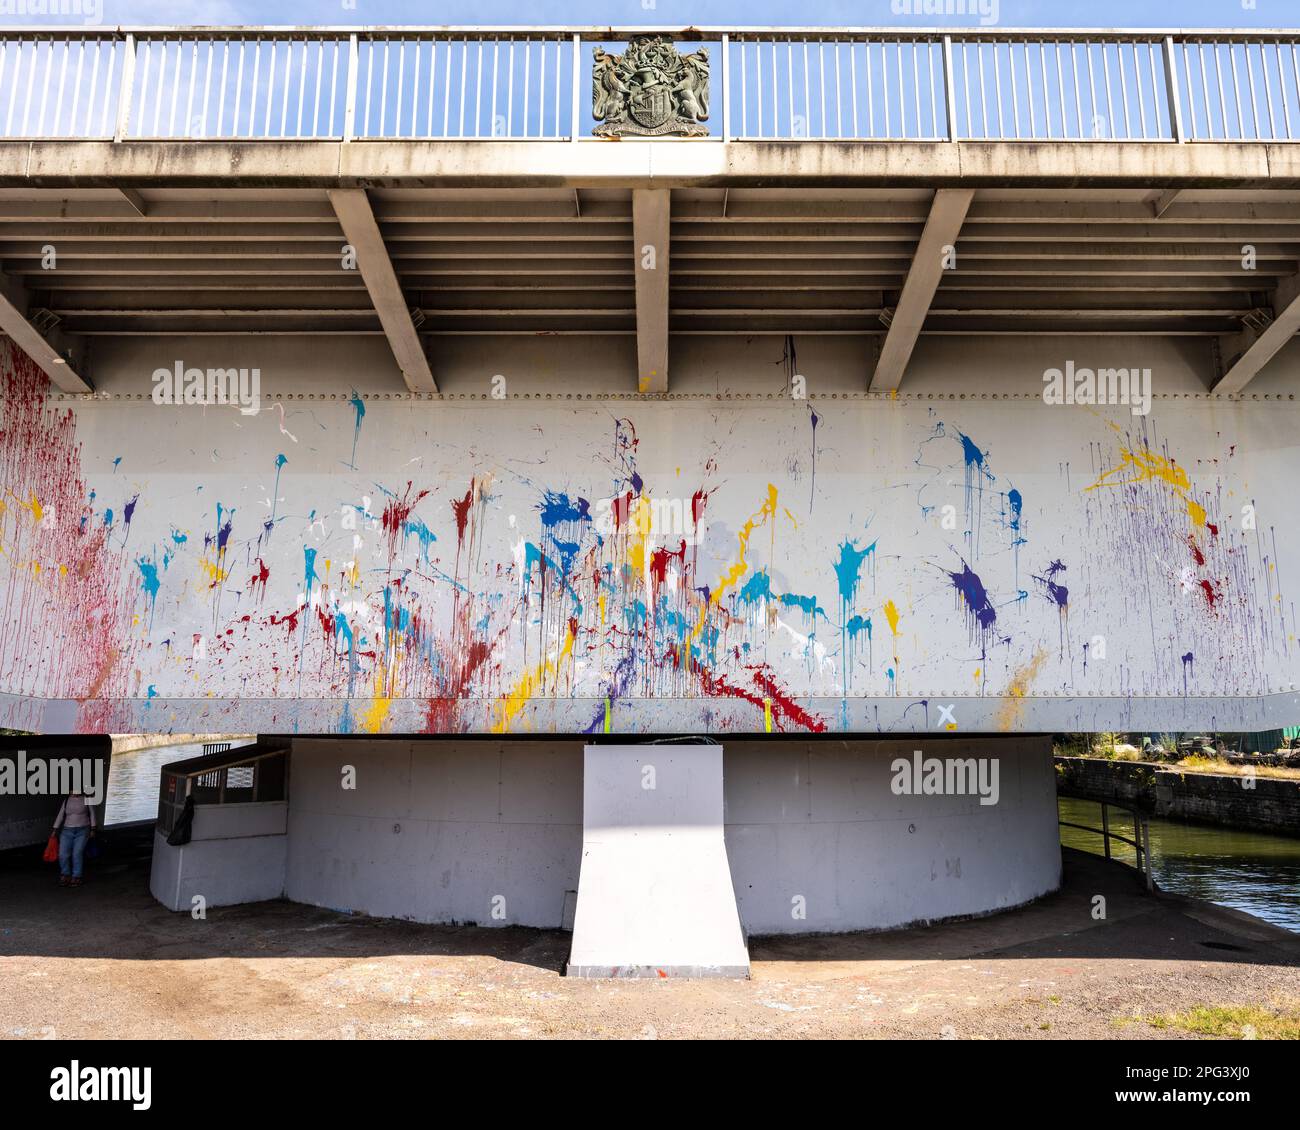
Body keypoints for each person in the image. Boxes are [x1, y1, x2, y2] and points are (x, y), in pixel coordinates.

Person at [52, 792, 97, 887]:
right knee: (62, 854)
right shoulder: (67, 800)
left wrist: (93, 829)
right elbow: (60, 815)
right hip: (67, 830)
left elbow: (92, 814)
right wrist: (55, 829)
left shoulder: (86, 799)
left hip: (83, 830)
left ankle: (77, 876)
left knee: (77, 853)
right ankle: (65, 874)